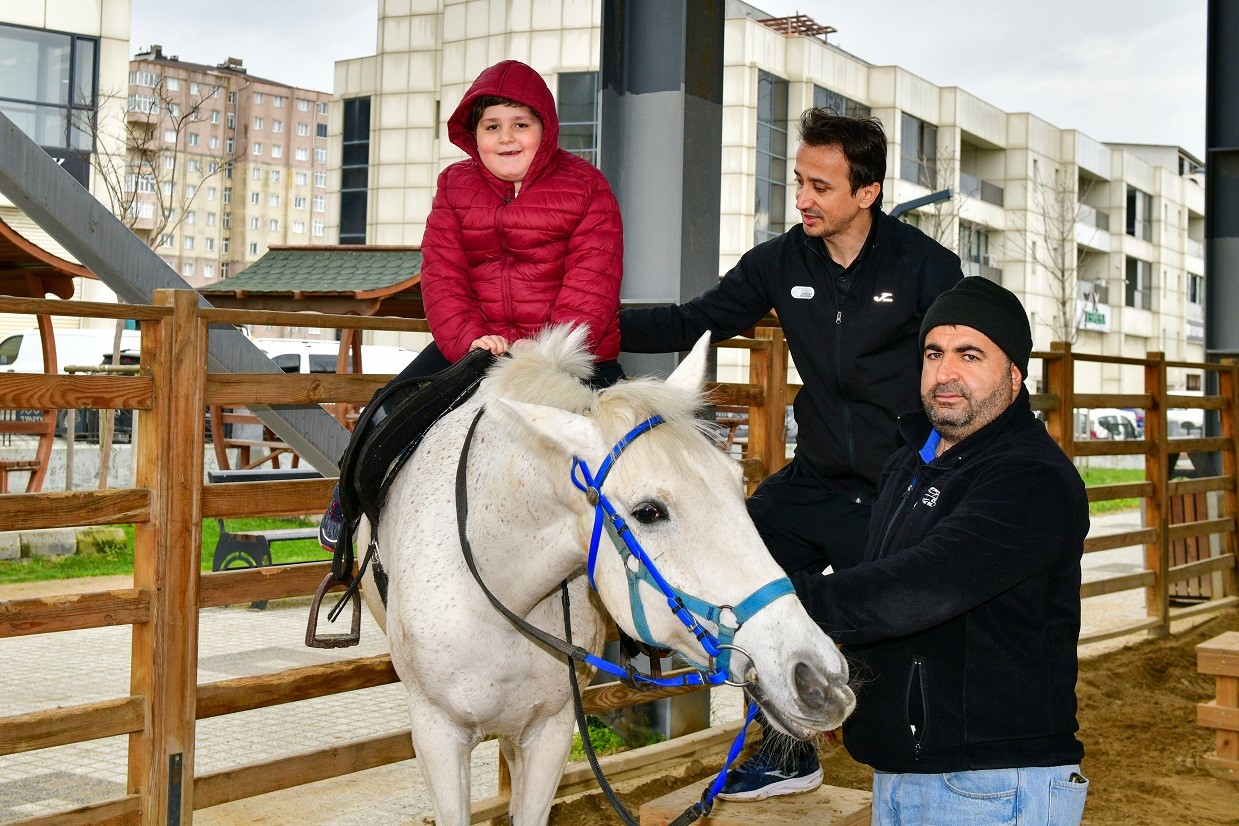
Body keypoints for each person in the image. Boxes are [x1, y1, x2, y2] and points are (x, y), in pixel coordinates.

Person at [619, 109, 963, 798]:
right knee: (752, 566)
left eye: (820, 186)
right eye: (797, 182)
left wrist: (941, 469)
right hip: (820, 478)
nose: (802, 199)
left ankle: (934, 760)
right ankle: (786, 751)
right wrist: (580, 317)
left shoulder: (924, 266)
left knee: (900, 626)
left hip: (900, 481)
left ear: (865, 193)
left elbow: (962, 366)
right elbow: (693, 320)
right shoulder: (782, 260)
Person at [793, 277, 1090, 825]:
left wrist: (775, 603)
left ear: (1015, 373)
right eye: (934, 353)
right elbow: (877, 595)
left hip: (994, 786)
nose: (945, 372)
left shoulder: (1031, 478)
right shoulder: (908, 466)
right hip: (904, 773)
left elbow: (919, 588)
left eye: (969, 354)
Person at [319, 59, 625, 550]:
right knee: (384, 414)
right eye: (492, 126)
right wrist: (468, 341)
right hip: (475, 344)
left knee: (636, 446)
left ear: (544, 130)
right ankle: (348, 505)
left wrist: (541, 353)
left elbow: (592, 285)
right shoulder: (454, 185)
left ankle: (645, 611)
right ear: (474, 133)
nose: (506, 138)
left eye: (520, 125)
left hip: (567, 354)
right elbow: (442, 276)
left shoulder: (588, 187)